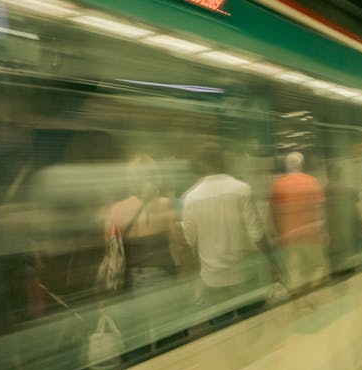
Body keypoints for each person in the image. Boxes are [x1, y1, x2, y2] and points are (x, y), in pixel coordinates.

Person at [182, 143, 279, 316]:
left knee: (222, 331)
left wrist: (193, 277)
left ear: (202, 164)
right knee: (253, 327)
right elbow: (256, 233)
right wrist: (272, 261)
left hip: (213, 279)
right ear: (223, 161)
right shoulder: (241, 189)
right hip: (244, 274)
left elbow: (187, 242)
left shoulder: (191, 198)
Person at [104, 156, 187, 349]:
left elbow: (110, 252)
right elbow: (181, 245)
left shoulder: (115, 210)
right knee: (170, 344)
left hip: (127, 287)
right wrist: (186, 274)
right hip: (161, 282)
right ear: (155, 175)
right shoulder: (165, 205)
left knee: (136, 350)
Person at [270, 152, 327, 292]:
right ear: (301, 165)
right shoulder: (312, 181)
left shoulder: (278, 185)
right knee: (317, 267)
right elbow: (320, 210)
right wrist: (322, 229)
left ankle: (299, 305)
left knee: (294, 272)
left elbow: (272, 213)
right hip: (311, 237)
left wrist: (278, 234)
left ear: (286, 166)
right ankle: (313, 294)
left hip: (289, 239)